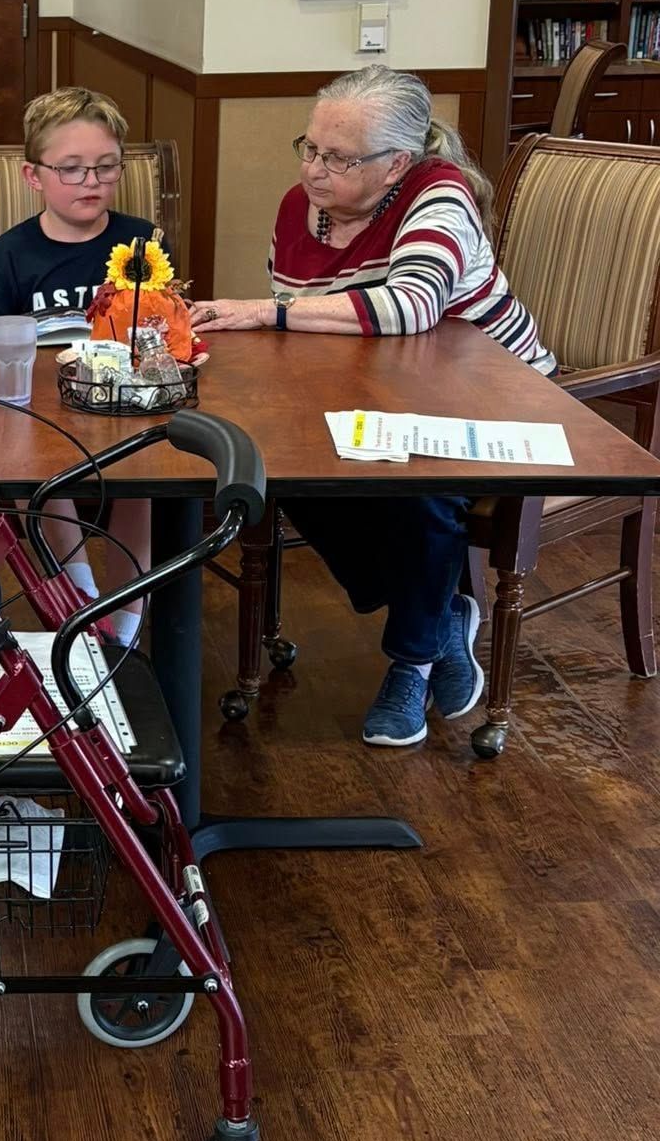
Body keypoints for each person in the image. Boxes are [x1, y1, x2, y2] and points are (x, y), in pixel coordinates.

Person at [190, 64, 555, 748]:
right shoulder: (297, 210)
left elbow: (409, 305)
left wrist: (265, 311)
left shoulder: (437, 197)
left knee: (417, 491)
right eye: (310, 148)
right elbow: (314, 330)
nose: (315, 170)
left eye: (338, 157)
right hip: (382, 395)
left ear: (396, 165)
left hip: (497, 404)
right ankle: (445, 617)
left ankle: (411, 663)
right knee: (277, 464)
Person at [0, 85, 160, 646]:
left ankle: (125, 626)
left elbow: (163, 317)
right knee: (36, 475)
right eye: (71, 169)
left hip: (123, 406)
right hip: (39, 415)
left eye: (105, 167)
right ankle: (82, 597)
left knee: (144, 477)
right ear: (34, 177)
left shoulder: (141, 241)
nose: (90, 183)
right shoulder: (10, 256)